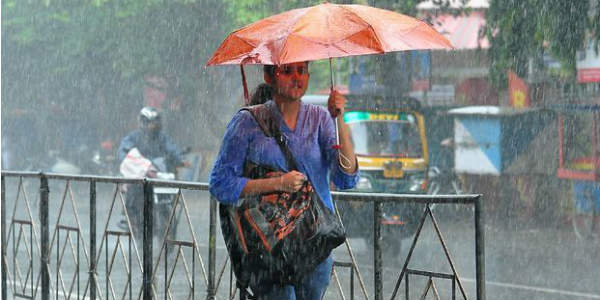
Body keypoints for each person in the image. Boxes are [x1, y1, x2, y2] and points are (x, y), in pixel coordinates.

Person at [209, 62, 359, 300]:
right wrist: (277, 184)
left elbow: (346, 178)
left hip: (314, 242)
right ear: (269, 77)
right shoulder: (247, 123)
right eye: (287, 71)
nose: (296, 78)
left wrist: (340, 119)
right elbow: (220, 183)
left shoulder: (320, 119)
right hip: (267, 246)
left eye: (302, 71)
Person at [117, 106, 189, 235]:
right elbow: (124, 151)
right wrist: (132, 161)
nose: (153, 125)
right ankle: (127, 218)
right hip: (140, 176)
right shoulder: (133, 138)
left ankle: (168, 227)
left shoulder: (162, 138)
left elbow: (172, 149)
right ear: (143, 122)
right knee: (132, 189)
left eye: (156, 122)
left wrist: (181, 159)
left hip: (159, 174)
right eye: (150, 122)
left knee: (172, 196)